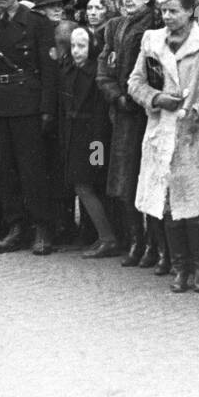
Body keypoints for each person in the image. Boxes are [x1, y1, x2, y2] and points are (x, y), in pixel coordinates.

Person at [126, 0, 199, 293]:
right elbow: (136, 82)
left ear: (191, 10)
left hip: (196, 135)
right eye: (164, 10)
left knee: (196, 205)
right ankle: (179, 267)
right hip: (162, 131)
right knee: (168, 203)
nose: (167, 17)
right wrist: (157, 98)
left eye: (174, 10)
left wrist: (198, 110)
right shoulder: (151, 41)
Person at [0, 0, 60, 254]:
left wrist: (47, 109)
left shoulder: (36, 24)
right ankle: (16, 227)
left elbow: (49, 71)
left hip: (28, 105)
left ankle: (42, 228)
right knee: (5, 170)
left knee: (32, 170)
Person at [97, 0, 164, 268]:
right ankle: (135, 240)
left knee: (149, 179)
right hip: (123, 115)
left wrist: (138, 98)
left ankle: (155, 244)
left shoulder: (156, 26)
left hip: (148, 114)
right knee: (126, 180)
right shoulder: (114, 27)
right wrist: (116, 95)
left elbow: (156, 72)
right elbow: (104, 68)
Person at [61, 26, 117, 257]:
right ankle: (101, 235)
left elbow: (100, 114)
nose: (76, 51)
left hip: (94, 139)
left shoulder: (96, 73)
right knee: (83, 184)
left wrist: (97, 147)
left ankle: (108, 237)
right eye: (73, 45)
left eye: (81, 46)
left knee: (87, 184)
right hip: (74, 135)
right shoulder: (69, 69)